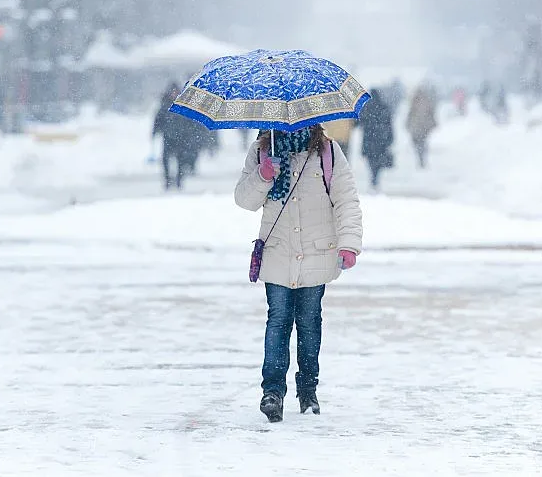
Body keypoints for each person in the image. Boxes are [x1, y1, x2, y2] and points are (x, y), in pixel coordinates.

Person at [235, 124, 362, 423]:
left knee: (309, 323)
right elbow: (244, 199)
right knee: (277, 320)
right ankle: (273, 392)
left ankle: (308, 390)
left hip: (317, 253)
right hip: (278, 252)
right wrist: (264, 176)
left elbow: (346, 200)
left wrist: (349, 244)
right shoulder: (262, 151)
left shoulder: (327, 152)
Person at [152, 82, 206, 190]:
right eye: (172, 92)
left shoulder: (184, 105)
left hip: (182, 137)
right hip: (168, 138)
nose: (174, 94)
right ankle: (167, 180)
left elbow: (190, 121)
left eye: (175, 92)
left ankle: (179, 180)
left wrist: (192, 133)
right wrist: (155, 132)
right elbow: (158, 120)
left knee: (181, 160)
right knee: (165, 159)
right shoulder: (165, 105)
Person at [360, 88, 394, 189]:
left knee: (371, 159)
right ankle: (375, 176)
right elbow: (389, 124)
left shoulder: (367, 107)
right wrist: (390, 137)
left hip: (369, 139)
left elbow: (361, 122)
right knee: (378, 159)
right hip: (380, 139)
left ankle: (373, 175)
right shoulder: (384, 107)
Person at [406, 84, 437, 169]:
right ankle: (422, 158)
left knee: (418, 144)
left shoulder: (414, 102)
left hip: (416, 127)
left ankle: (420, 158)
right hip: (423, 127)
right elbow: (431, 114)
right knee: (422, 144)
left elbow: (410, 115)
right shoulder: (426, 101)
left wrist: (407, 124)